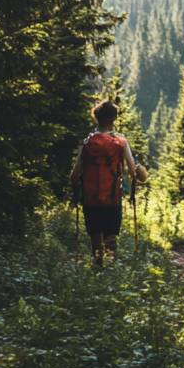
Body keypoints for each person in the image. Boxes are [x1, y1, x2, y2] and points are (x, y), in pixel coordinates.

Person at [70, 99, 145, 266]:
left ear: (97, 118)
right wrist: (141, 170)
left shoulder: (87, 142)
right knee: (110, 240)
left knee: (96, 241)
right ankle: (111, 275)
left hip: (91, 200)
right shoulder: (120, 141)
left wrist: (77, 192)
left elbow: (74, 176)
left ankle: (98, 272)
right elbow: (133, 172)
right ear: (113, 119)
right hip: (112, 199)